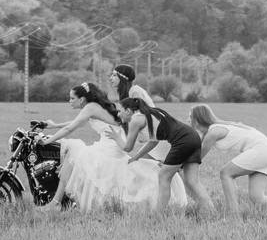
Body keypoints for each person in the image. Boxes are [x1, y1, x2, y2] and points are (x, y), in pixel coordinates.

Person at [37, 82, 187, 211]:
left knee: (74, 157)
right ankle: (60, 202)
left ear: (82, 99)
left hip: (110, 144)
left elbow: (71, 128)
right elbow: (76, 121)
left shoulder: (91, 107)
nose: (69, 101)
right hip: (110, 142)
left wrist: (47, 141)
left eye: (72, 98)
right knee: (82, 163)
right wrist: (54, 126)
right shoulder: (92, 107)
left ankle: (56, 203)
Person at [190, 104, 267, 217]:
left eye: (190, 117)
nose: (189, 121)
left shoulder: (213, 132)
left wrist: (182, 166)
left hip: (260, 149)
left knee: (226, 173)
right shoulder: (216, 128)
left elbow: (198, 156)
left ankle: (233, 215)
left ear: (197, 119)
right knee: (257, 198)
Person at [118, 98, 215, 213]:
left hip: (182, 141)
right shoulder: (151, 113)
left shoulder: (136, 119)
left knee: (163, 176)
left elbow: (127, 147)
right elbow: (153, 141)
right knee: (192, 181)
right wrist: (137, 157)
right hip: (192, 136)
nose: (119, 113)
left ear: (128, 111)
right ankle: (211, 211)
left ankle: (158, 215)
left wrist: (116, 137)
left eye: (120, 110)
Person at [109, 64, 168, 161]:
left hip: (156, 137)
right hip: (151, 137)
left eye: (114, 75)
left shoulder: (135, 92)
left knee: (144, 167)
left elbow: (143, 117)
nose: (111, 78)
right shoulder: (129, 92)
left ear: (123, 78)